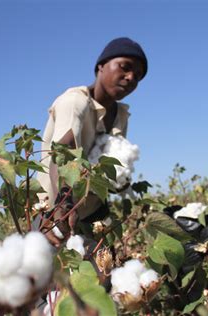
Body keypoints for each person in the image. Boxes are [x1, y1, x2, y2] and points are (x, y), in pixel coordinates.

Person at [36, 37, 148, 241]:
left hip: (92, 214)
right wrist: (63, 203)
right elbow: (64, 150)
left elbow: (109, 163)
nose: (131, 77)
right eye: (124, 67)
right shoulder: (74, 101)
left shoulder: (121, 116)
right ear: (101, 67)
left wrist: (121, 182)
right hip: (53, 212)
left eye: (138, 76)